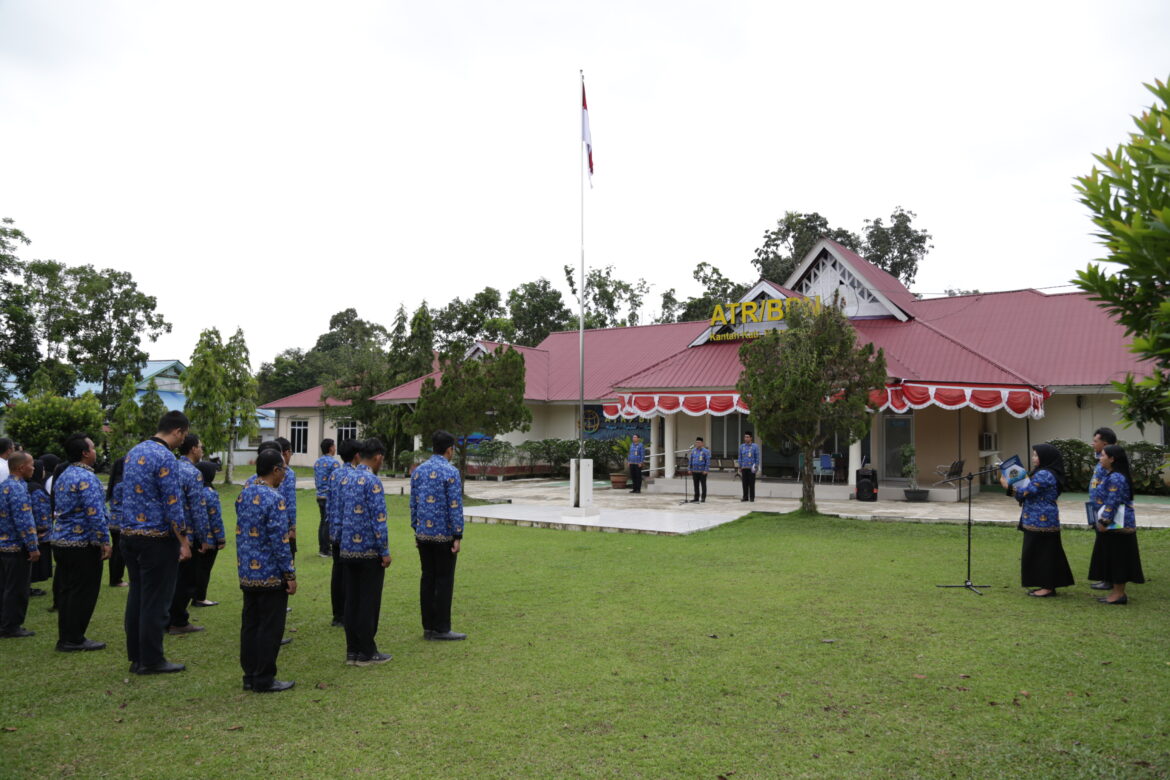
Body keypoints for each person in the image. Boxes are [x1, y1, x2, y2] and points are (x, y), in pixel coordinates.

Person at [120, 411, 192, 675]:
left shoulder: (134, 452)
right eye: (183, 436)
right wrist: (183, 540)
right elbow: (173, 503)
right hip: (156, 539)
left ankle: (137, 656)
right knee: (156, 601)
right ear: (178, 431)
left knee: (137, 596)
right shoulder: (165, 458)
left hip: (129, 536)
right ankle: (151, 660)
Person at [235, 449, 296, 692]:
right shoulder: (275, 498)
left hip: (248, 572)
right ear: (275, 470)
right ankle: (264, 678)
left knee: (250, 624)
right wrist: (289, 574)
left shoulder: (244, 494)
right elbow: (280, 541)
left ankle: (250, 675)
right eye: (282, 469)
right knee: (270, 627)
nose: (284, 475)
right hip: (270, 574)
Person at [50, 433, 111, 651]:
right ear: (85, 453)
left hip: (60, 541)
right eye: (93, 448)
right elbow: (95, 513)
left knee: (67, 591)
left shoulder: (64, 474)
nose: (95, 451)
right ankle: (74, 638)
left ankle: (67, 636)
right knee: (83, 592)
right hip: (82, 544)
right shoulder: (87, 478)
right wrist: (105, 541)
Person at [338, 437, 392, 666]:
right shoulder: (372, 482)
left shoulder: (345, 478)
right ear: (378, 456)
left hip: (348, 550)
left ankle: (352, 651)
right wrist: (385, 550)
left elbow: (337, 514)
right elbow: (379, 519)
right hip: (369, 552)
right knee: (368, 602)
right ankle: (367, 652)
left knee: (352, 601)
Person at [411, 430, 466, 642]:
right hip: (444, 536)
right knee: (444, 581)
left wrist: (416, 529)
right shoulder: (450, 472)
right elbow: (455, 506)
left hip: (423, 535)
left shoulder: (418, 471)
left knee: (427, 579)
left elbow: (413, 503)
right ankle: (442, 628)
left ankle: (428, 627)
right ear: (449, 449)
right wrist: (457, 535)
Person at [1000, 443, 1074, 597]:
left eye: (1036, 455)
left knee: (1043, 554)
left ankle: (1047, 588)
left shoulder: (1044, 474)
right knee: (1042, 553)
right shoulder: (1043, 472)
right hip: (1039, 519)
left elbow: (1026, 492)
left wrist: (1008, 486)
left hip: (1041, 521)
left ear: (1045, 457)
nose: (1033, 458)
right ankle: (1046, 585)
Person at [1088, 444, 1144, 605]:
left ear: (1112, 459)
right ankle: (1116, 592)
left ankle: (1119, 594)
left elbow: (1113, 501)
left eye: (1103, 455)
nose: (1100, 458)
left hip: (1118, 526)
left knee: (1118, 558)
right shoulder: (1111, 475)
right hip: (1114, 525)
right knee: (1112, 557)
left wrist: (1104, 521)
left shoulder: (1116, 477)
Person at [168, 434, 211, 635]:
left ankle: (167, 617)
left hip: (168, 534)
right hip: (188, 534)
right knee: (185, 581)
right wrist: (203, 538)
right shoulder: (192, 473)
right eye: (200, 446)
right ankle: (178, 620)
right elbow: (198, 509)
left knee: (170, 579)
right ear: (193, 449)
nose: (202, 450)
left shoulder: (169, 467)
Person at [0, 452, 41, 638]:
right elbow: (24, 521)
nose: (34, 467)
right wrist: (32, 546)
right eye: (31, 464)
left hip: (3, 545)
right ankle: (11, 626)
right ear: (21, 467)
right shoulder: (17, 489)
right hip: (16, 547)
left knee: (5, 587)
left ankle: (5, 623)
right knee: (17, 589)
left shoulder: (4, 486)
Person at [326, 437, 361, 628]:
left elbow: (330, 502)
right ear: (357, 455)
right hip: (349, 532)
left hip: (335, 529)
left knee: (337, 571)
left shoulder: (335, 475)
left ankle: (337, 614)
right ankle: (347, 612)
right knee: (349, 574)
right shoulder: (355, 476)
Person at [1086, 427, 1117, 592]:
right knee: (1102, 544)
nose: (1092, 443)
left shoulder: (1110, 461)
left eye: (1095, 441)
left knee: (1108, 544)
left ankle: (1110, 579)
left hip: (1106, 510)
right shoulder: (1101, 459)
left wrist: (1106, 512)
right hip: (1097, 508)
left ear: (1104, 443)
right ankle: (1106, 577)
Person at [191, 461, 225, 608]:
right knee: (204, 569)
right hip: (209, 539)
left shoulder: (194, 491)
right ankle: (200, 597)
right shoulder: (210, 494)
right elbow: (215, 518)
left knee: (194, 568)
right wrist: (221, 538)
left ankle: (192, 595)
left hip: (194, 537)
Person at [27, 459, 53, 594]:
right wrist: (43, 529)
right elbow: (40, 511)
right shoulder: (36, 489)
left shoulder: (27, 485)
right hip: (39, 533)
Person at [314, 439, 339, 558]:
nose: (335, 448)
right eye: (334, 446)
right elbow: (337, 481)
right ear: (330, 448)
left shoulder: (317, 462)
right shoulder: (334, 463)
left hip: (319, 495)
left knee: (323, 521)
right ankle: (325, 549)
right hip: (329, 497)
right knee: (327, 522)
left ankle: (322, 548)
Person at [105, 458, 128, 587]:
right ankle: (116, 579)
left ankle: (115, 577)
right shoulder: (123, 484)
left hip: (114, 519)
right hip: (121, 521)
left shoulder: (116, 483)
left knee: (116, 550)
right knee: (120, 552)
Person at [276, 437, 298, 558]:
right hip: (283, 525)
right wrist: (292, 528)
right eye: (291, 453)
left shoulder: (256, 475)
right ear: (285, 453)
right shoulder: (288, 472)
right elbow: (290, 502)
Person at [737, 432, 761, 502]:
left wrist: (756, 466)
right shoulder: (741, 447)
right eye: (745, 437)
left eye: (747, 437)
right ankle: (745, 497)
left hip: (752, 468)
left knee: (751, 483)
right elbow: (740, 457)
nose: (746, 438)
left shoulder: (755, 446)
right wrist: (739, 466)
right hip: (744, 468)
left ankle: (752, 497)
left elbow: (757, 457)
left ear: (751, 438)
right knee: (744, 483)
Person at [688, 437, 710, 503]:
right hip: (694, 471)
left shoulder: (706, 451)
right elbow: (690, 461)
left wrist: (706, 470)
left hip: (702, 471)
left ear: (702, 443)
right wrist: (689, 469)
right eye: (696, 442)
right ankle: (696, 498)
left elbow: (707, 462)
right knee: (696, 485)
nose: (697, 443)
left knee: (703, 485)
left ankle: (703, 498)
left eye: (699, 442)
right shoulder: (693, 451)